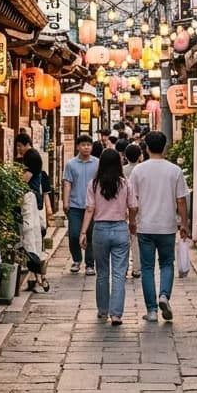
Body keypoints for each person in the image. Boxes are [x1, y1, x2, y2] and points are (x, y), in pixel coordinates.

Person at [128, 131, 190, 322]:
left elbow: (133, 201)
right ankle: (164, 295)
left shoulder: (138, 170)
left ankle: (152, 311)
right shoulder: (174, 170)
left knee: (147, 267)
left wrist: (132, 221)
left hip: (145, 225)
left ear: (145, 148)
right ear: (164, 147)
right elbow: (181, 200)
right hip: (167, 226)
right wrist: (184, 224)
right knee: (166, 264)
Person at [79, 148, 137, 325]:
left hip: (100, 230)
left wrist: (83, 232)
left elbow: (90, 208)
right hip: (120, 228)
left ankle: (103, 310)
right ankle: (116, 314)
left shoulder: (94, 184)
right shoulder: (125, 183)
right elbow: (133, 207)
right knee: (119, 274)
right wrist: (132, 223)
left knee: (102, 273)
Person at [62, 135, 99, 275]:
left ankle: (90, 264)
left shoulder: (97, 163)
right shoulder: (71, 164)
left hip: (92, 206)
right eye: (83, 145)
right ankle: (76, 259)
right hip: (75, 205)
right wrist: (66, 202)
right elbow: (67, 183)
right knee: (73, 234)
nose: (86, 147)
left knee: (90, 235)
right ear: (78, 147)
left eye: (89, 145)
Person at [18, 149, 50, 293]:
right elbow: (44, 196)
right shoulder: (41, 175)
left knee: (31, 244)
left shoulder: (29, 180)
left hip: (32, 218)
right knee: (37, 245)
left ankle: (38, 278)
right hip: (39, 217)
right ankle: (39, 279)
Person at [123, 143, 143, 277]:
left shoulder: (122, 170)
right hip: (140, 207)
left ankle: (123, 268)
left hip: (123, 208)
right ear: (140, 156)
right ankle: (137, 267)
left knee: (124, 241)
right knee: (136, 238)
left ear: (125, 156)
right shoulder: (143, 169)